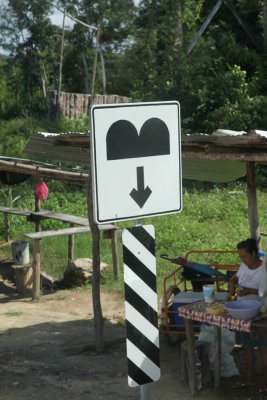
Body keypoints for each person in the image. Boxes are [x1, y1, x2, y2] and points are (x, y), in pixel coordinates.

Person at [228, 238, 267, 393]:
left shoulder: (264, 268)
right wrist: (231, 283)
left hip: (260, 316)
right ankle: (249, 380)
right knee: (246, 348)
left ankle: (265, 384)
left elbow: (264, 291)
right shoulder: (244, 266)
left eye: (245, 256)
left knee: (263, 350)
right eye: (240, 257)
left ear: (253, 253)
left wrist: (250, 291)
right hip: (242, 314)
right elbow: (236, 277)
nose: (242, 259)